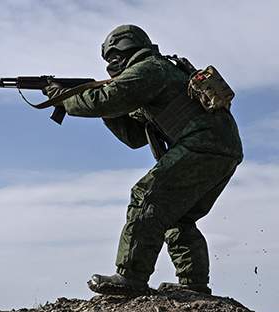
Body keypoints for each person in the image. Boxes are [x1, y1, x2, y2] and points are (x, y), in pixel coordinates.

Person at [44, 24, 243, 296]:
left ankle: (131, 277)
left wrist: (66, 99)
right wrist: (105, 110)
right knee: (178, 217)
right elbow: (134, 137)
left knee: (146, 197)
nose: (110, 66)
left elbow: (107, 99)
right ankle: (194, 284)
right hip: (223, 148)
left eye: (113, 58)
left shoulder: (149, 68)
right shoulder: (158, 71)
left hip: (203, 144)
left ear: (124, 50)